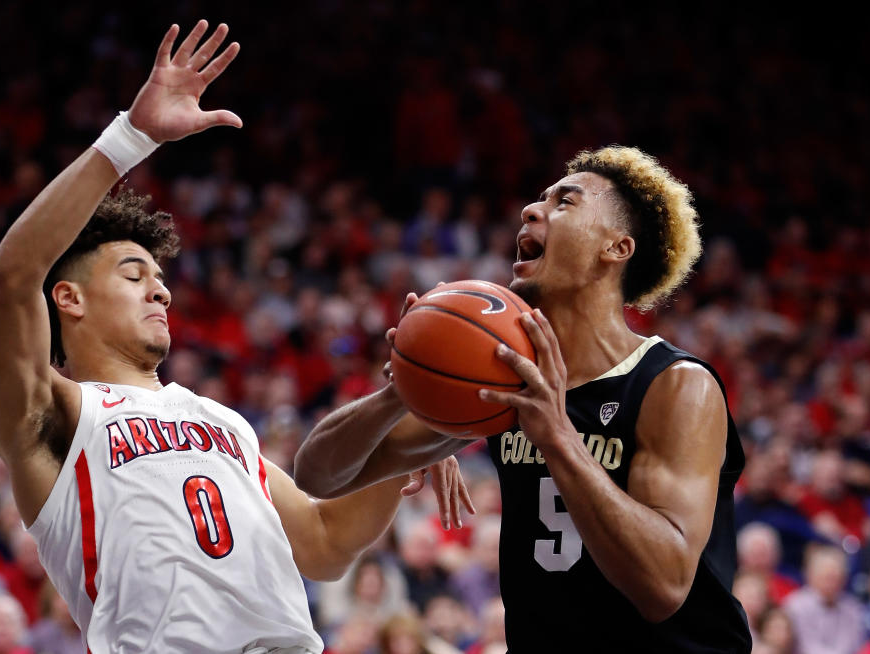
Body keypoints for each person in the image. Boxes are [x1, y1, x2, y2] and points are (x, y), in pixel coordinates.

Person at [0, 21, 472, 654]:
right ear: (68, 299)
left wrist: (413, 431)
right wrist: (131, 138)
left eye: (160, 278)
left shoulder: (221, 421)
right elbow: (12, 275)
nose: (162, 291)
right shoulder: (55, 414)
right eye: (135, 275)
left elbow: (323, 545)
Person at [295, 146, 752, 651]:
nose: (531, 211)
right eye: (537, 201)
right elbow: (319, 476)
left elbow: (663, 587)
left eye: (566, 202)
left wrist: (557, 438)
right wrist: (399, 394)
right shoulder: (501, 380)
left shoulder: (675, 384)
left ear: (617, 248)